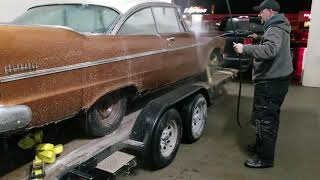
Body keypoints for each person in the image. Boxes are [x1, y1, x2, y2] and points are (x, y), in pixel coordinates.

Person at [233, 0, 293, 168]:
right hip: (277, 80)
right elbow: (273, 44)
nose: (259, 14)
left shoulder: (274, 28)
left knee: (264, 120)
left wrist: (244, 49)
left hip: (270, 82)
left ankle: (265, 158)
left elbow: (271, 50)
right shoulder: (280, 26)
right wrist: (258, 38)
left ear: (270, 11)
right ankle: (261, 147)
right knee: (268, 117)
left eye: (261, 11)